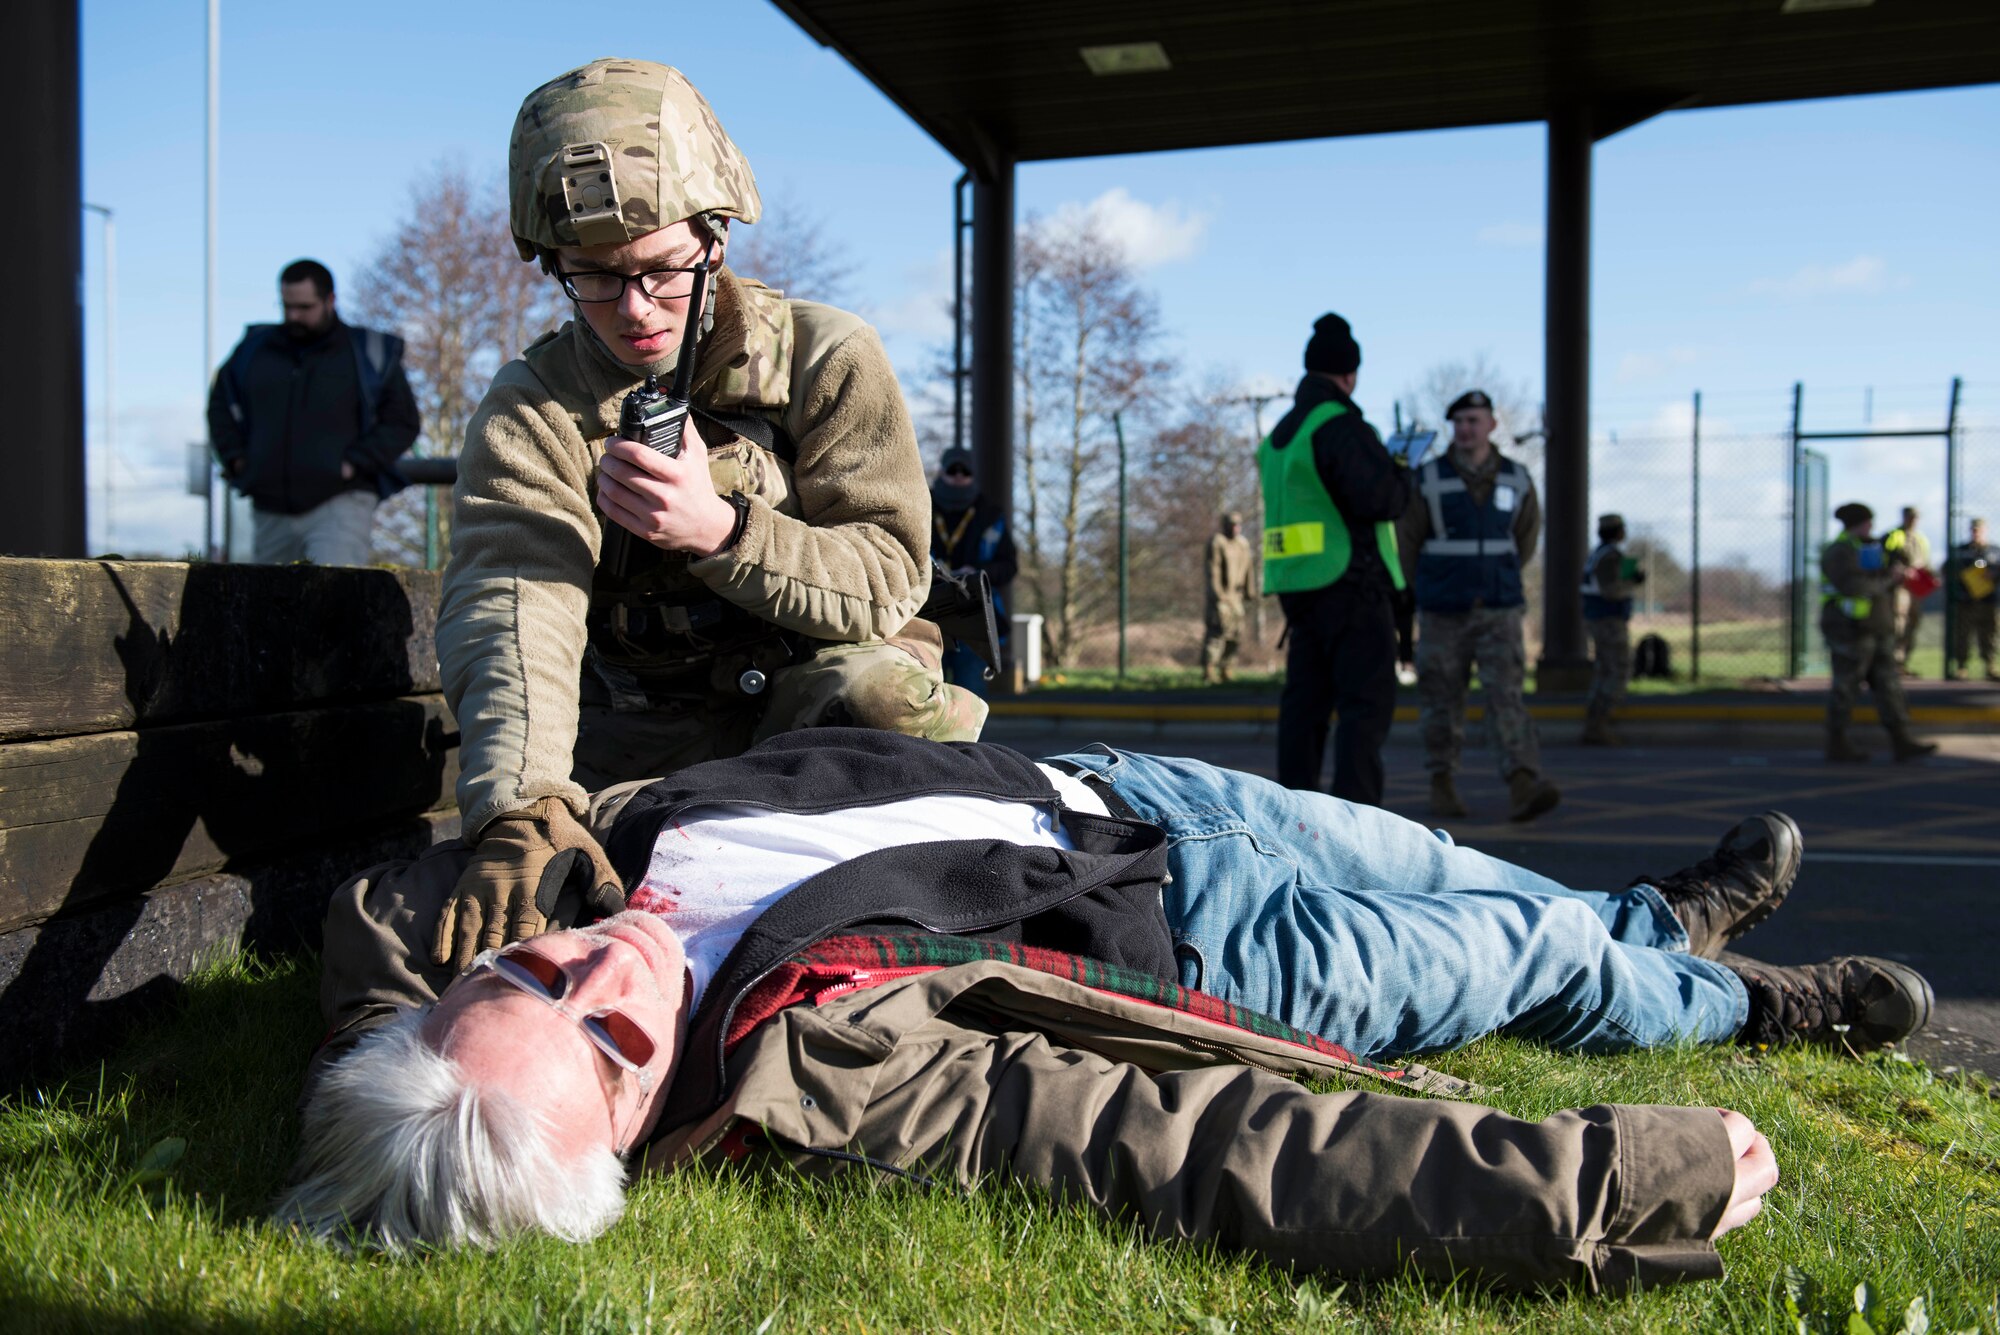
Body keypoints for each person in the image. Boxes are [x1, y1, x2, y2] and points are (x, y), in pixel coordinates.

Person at [283, 728, 1934, 1290]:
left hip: (1124, 787)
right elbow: (1192, 1148)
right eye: (608, 1047)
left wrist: (522, 885)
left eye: (532, 978)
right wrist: (1589, 1190)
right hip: (1208, 940)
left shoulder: (538, 907)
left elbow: (366, 935)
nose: (604, 976)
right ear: (638, 1130)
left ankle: (1663, 919)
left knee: (1454, 860)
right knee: (1531, 964)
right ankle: (1751, 997)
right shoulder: (830, 1073)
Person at [433, 59, 984, 973]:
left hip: (820, 712)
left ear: (716, 236)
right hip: (645, 730)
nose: (634, 310)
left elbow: (890, 576)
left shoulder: (827, 359)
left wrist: (723, 532)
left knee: (886, 704)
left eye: (661, 269)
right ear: (554, 265)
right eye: (595, 280)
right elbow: (514, 600)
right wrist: (521, 808)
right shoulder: (536, 408)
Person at [1259, 313, 1411, 806]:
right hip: (1352, 585)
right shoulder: (1341, 425)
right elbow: (1380, 500)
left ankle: (1294, 821)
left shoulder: (1281, 434)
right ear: (1350, 374)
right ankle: (1357, 828)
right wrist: (1400, 468)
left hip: (1300, 594)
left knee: (1303, 713)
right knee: (1364, 713)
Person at [1399, 390, 1559, 821]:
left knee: (1506, 697)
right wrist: (1431, 587)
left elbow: (1525, 539)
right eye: (1459, 422)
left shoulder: (1517, 478)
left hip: (1499, 607)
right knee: (1440, 699)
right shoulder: (1427, 477)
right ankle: (1442, 783)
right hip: (1442, 609)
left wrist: (1493, 577)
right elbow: (1408, 541)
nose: (1466, 429)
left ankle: (1524, 782)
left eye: (1474, 420)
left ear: (1492, 424)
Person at [207, 259, 420, 565]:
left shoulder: (367, 352)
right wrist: (238, 459)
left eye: (304, 307)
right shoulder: (252, 351)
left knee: (334, 599)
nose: (294, 316)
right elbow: (220, 406)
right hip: (269, 507)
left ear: (330, 300)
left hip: (341, 501)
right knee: (269, 607)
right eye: (286, 306)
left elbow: (403, 422)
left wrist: (353, 463)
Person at [1821, 502, 1938, 763]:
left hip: (1877, 628)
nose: (1871, 527)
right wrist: (1890, 578)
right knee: (1846, 687)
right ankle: (1836, 743)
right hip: (1850, 631)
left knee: (1889, 688)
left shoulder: (1871, 547)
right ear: (1857, 523)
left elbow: (1885, 571)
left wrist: (1902, 570)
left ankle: (1901, 740)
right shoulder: (1839, 551)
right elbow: (1854, 585)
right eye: (1867, 522)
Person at [928, 447, 1018, 696]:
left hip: (976, 617)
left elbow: (1009, 566)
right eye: (952, 470)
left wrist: (978, 572)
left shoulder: (990, 514)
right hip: (929, 614)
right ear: (942, 472)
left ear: (972, 475)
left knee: (970, 697)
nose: (959, 476)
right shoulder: (922, 506)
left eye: (965, 471)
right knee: (926, 694)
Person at [1580, 513, 1645, 745]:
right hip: (1609, 619)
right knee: (1617, 669)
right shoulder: (1610, 557)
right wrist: (1633, 579)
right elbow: (1612, 590)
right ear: (1618, 531)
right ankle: (1598, 724)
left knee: (1604, 669)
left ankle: (1595, 723)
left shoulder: (1597, 555)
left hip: (1599, 619)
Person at [1201, 512, 1254, 684]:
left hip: (1236, 596)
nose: (1235, 528)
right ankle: (1209, 669)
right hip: (1221, 596)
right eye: (1232, 524)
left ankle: (1227, 669)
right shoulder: (1218, 542)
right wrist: (1218, 596)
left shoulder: (1242, 544)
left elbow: (1248, 569)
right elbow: (1213, 571)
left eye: (1238, 524)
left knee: (1236, 633)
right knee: (1217, 631)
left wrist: (1249, 591)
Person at [1945, 516, 1998, 681]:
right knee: (1962, 634)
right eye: (1974, 530)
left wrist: (1994, 574)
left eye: (1979, 530)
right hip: (1966, 600)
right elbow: (1946, 569)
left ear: (1985, 530)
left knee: (1989, 634)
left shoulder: (1995, 550)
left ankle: (1990, 666)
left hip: (1988, 600)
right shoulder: (1961, 550)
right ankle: (1961, 666)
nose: (1976, 533)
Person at [1882, 505, 1933, 673]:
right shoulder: (1894, 536)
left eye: (1916, 517)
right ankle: (1892, 661)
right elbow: (1885, 559)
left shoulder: (1921, 539)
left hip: (1916, 589)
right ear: (1904, 517)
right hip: (1899, 588)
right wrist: (1902, 570)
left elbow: (1926, 563)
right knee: (1898, 622)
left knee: (1913, 623)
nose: (1913, 520)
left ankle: (1902, 662)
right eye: (1910, 517)